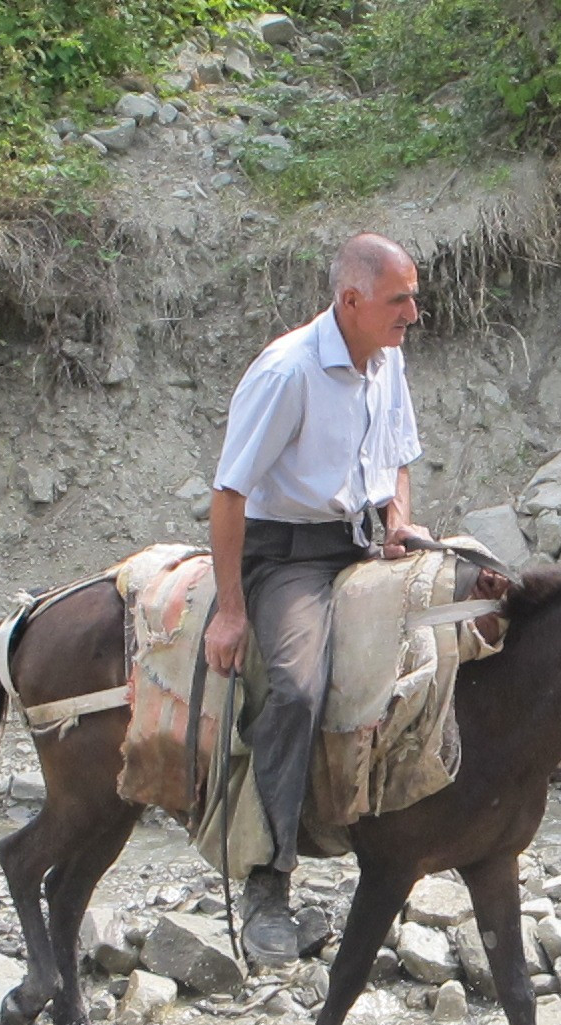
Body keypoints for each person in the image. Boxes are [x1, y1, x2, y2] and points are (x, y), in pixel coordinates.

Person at [205, 233, 430, 966]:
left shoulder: (386, 357)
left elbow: (397, 459)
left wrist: (398, 520)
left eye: (413, 296)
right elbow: (230, 492)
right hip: (288, 553)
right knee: (299, 689)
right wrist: (233, 610)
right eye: (400, 300)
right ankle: (268, 880)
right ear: (352, 300)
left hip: (364, 539)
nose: (413, 314)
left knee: (464, 624)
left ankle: (416, 842)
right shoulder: (288, 371)